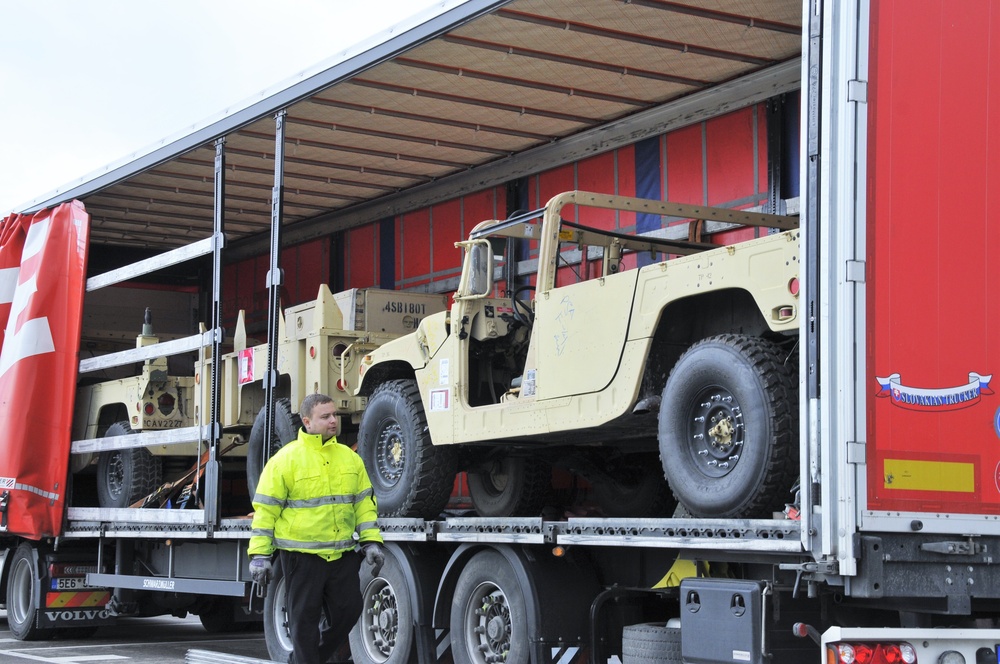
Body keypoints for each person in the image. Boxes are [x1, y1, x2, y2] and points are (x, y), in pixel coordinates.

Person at [248, 393, 384, 664]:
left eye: (335, 415)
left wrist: (371, 541)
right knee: (303, 624)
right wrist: (260, 557)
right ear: (307, 421)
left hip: (341, 553)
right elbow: (266, 513)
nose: (333, 421)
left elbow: (364, 505)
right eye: (325, 417)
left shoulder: (349, 458)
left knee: (350, 610)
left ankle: (304, 660)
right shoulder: (284, 461)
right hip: (301, 557)